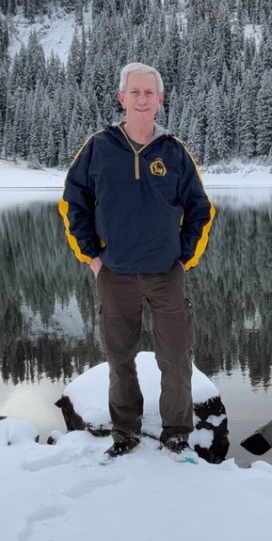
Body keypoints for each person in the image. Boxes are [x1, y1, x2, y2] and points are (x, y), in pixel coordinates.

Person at [59, 62, 215, 458]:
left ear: (160, 101)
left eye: (150, 93)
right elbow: (72, 204)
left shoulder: (175, 152)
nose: (142, 100)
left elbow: (201, 210)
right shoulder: (99, 147)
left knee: (176, 359)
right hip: (115, 275)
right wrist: (92, 257)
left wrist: (184, 260)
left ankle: (177, 432)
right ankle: (124, 433)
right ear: (122, 98)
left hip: (167, 275)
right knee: (120, 360)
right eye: (135, 92)